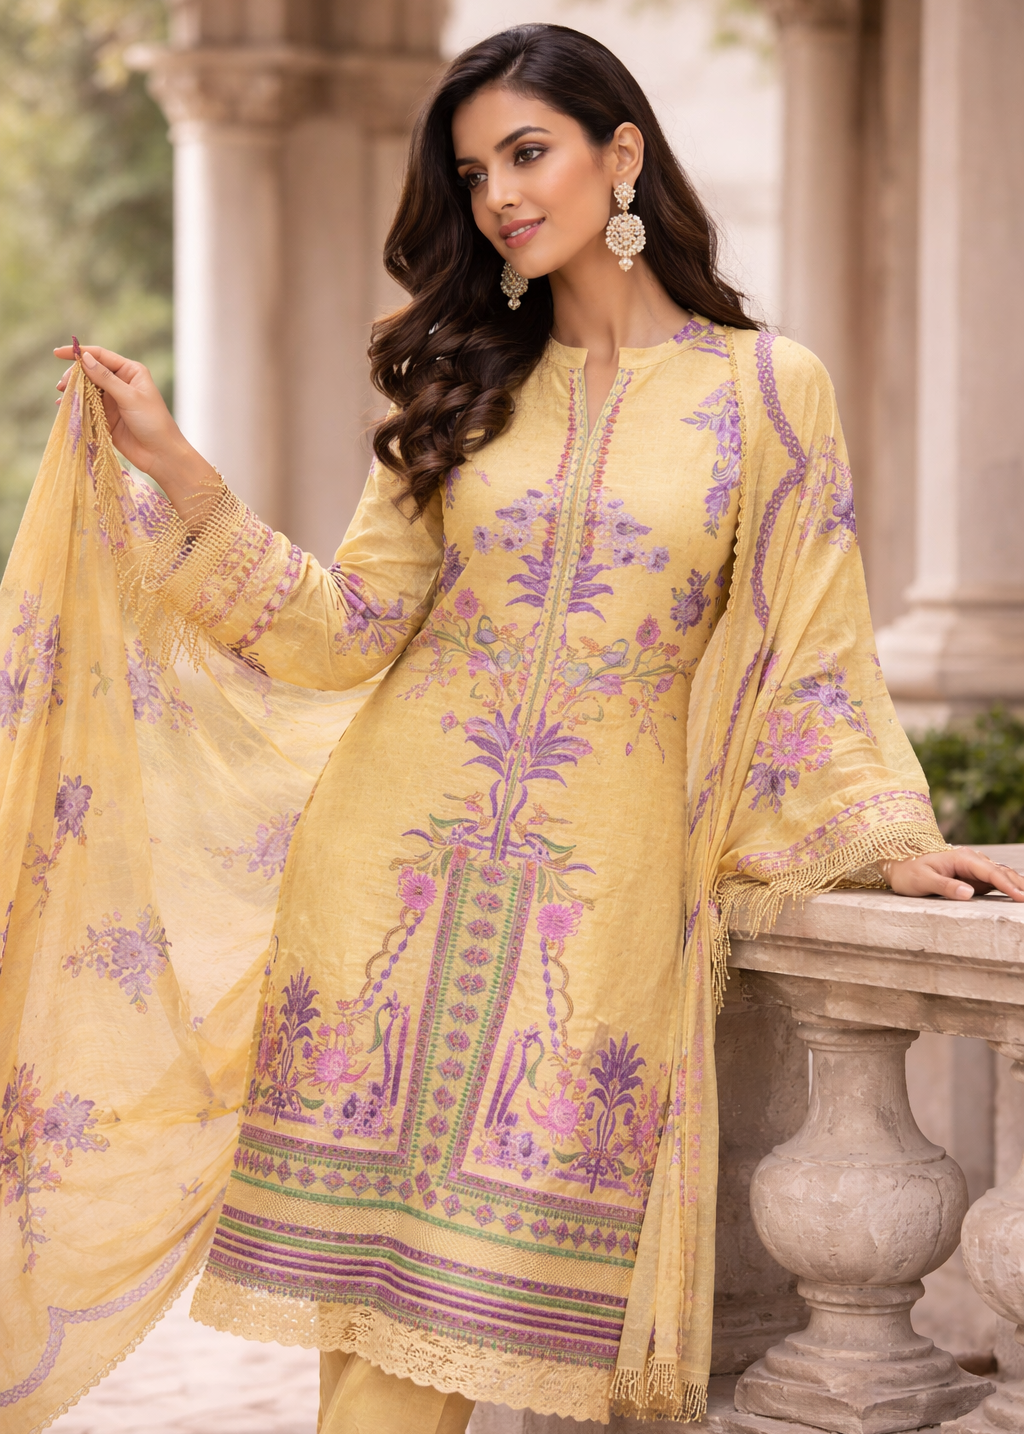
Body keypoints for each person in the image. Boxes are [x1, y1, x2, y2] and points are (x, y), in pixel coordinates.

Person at [5, 23, 1022, 1434]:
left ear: (623, 155)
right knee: (365, 1345)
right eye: (475, 169)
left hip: (589, 929)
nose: (497, 193)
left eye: (526, 153)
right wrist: (177, 469)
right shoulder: (461, 386)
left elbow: (815, 651)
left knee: (506, 1335)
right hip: (378, 894)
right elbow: (348, 625)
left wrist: (889, 837)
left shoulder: (763, 391)